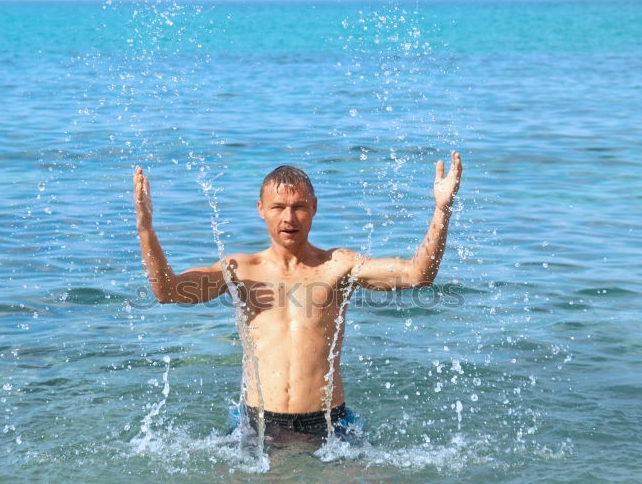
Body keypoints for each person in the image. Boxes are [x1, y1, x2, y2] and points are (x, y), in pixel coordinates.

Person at [133, 151, 462, 443]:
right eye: (278, 207)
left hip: (328, 421)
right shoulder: (240, 269)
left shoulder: (339, 266)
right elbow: (168, 291)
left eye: (299, 207)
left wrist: (442, 210)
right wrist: (146, 228)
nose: (288, 219)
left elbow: (418, 275)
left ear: (314, 208)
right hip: (258, 421)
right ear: (261, 209)